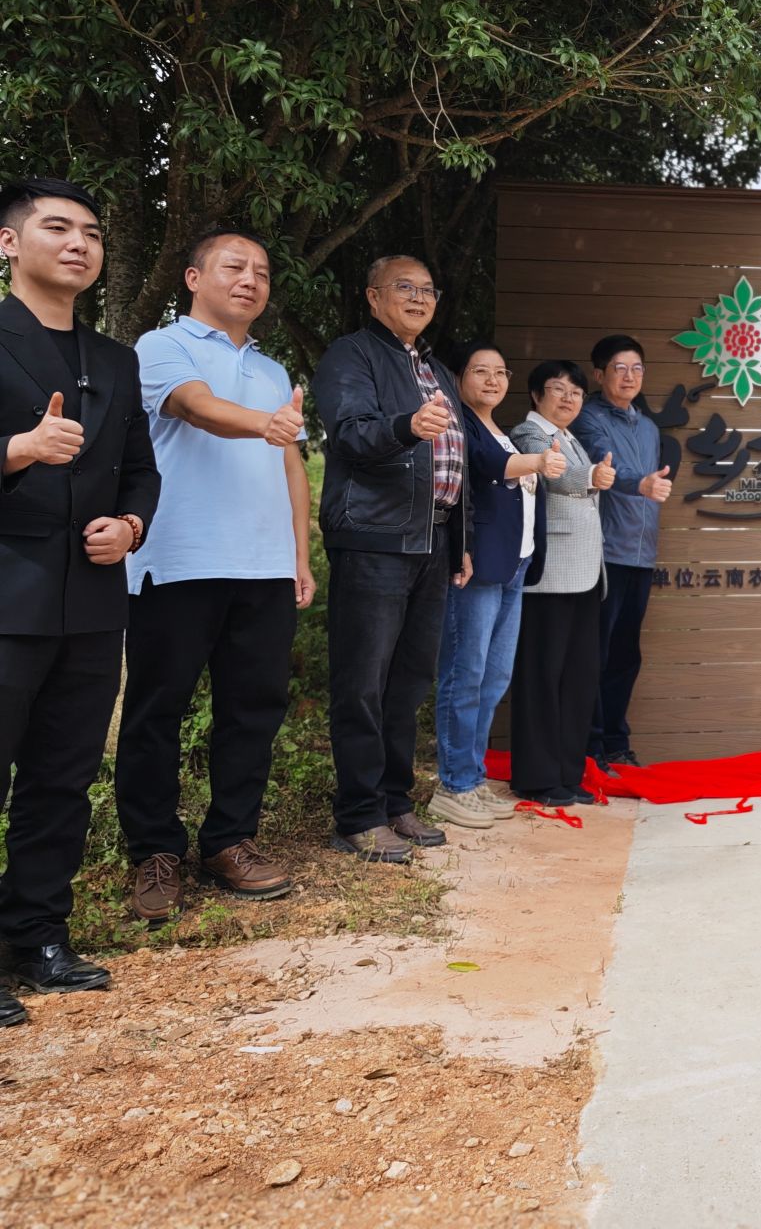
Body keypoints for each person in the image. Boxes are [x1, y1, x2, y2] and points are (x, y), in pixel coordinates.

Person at [116, 228, 313, 925]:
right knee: (157, 710)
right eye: (234, 266)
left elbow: (291, 466)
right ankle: (154, 852)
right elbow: (195, 407)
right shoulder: (161, 346)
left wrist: (298, 556)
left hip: (264, 566)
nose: (250, 279)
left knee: (252, 710)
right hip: (179, 559)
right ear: (194, 278)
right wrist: (267, 424)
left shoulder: (272, 370)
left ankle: (230, 840)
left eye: (261, 271)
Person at [0, 178, 159, 1020]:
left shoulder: (114, 360)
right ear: (8, 243)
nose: (78, 244)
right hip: (7, 596)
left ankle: (38, 936)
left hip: (93, 600)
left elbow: (141, 468)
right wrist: (18, 449)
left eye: (91, 233)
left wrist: (130, 525)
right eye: (57, 228)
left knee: (61, 778)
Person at [312, 255, 469, 864]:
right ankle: (358, 815)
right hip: (374, 539)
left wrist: (461, 541)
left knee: (408, 681)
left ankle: (395, 801)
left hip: (431, 540)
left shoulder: (435, 368)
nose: (419, 297)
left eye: (428, 289)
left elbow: (458, 464)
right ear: (373, 296)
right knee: (363, 682)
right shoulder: (351, 354)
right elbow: (350, 434)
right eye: (405, 287)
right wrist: (406, 425)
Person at [427, 341, 567, 830]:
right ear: (459, 378)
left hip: (512, 566)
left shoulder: (501, 431)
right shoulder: (460, 424)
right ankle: (453, 785)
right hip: (477, 567)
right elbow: (486, 467)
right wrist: (537, 463)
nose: (493, 380)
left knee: (493, 678)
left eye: (501, 372)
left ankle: (472, 777)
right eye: (480, 371)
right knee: (465, 675)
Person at [511, 361, 613, 805]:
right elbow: (554, 474)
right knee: (541, 677)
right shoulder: (530, 433)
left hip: (584, 575)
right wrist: (590, 476)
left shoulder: (570, 437)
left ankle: (568, 774)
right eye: (558, 389)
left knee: (577, 679)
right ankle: (537, 777)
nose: (569, 398)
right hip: (549, 577)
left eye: (576, 392)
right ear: (537, 395)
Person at [571, 334, 672, 770]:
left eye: (637, 369)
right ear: (599, 374)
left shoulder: (649, 428)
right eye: (619, 368)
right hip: (605, 554)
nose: (629, 377)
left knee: (626, 655)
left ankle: (615, 742)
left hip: (640, 556)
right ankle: (590, 746)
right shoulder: (588, 417)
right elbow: (604, 465)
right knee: (596, 653)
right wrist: (641, 483)